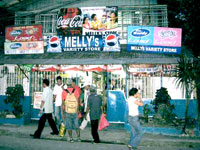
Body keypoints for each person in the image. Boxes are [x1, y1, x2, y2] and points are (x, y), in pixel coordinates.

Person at [62, 78, 81, 143]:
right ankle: (78, 138)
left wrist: (62, 112)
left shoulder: (64, 92)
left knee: (69, 125)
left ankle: (71, 138)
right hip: (75, 111)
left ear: (67, 84)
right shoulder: (76, 91)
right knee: (76, 125)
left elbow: (63, 103)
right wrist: (78, 110)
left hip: (67, 111)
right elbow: (78, 101)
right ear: (71, 84)